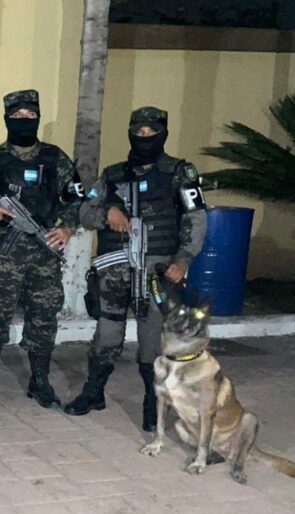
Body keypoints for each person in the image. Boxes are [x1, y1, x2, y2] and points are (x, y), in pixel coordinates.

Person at [64, 106, 206, 431]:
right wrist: (108, 213)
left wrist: (183, 259)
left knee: (152, 339)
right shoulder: (112, 175)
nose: (144, 138)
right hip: (114, 271)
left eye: (151, 132)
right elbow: (85, 212)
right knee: (107, 333)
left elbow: (196, 219)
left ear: (163, 133)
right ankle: (94, 391)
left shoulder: (180, 172)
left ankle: (153, 401)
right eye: (138, 132)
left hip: (157, 271)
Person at [0, 89, 80, 408]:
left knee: (44, 316)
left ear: (38, 118)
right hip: (2, 256)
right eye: (18, 115)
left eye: (30, 115)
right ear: (7, 119)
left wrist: (67, 228)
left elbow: (76, 199)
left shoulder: (56, 159)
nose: (24, 120)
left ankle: (40, 381)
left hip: (43, 255)